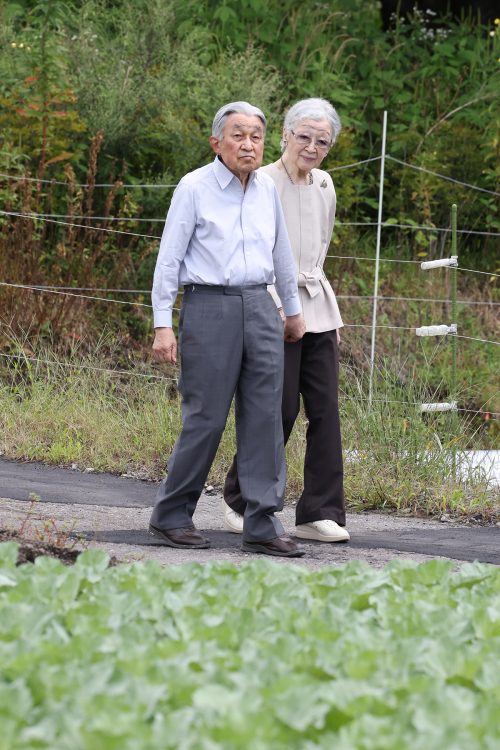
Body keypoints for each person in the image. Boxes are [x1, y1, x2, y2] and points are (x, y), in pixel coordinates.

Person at [149, 101, 307, 558]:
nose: (248, 144)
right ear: (217, 142)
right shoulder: (194, 187)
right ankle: (172, 514)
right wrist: (163, 324)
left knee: (265, 416)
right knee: (206, 417)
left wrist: (292, 311)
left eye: (256, 136)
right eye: (238, 135)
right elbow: (169, 259)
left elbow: (281, 254)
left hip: (261, 305)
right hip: (209, 306)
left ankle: (261, 522)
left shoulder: (265, 191)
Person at [223, 98, 349, 543]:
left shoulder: (325, 184)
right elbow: (256, 250)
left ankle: (319, 511)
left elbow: (320, 247)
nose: (311, 147)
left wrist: (328, 312)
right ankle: (240, 499)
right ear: (285, 135)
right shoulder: (262, 183)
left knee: (326, 409)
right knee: (278, 408)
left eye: (322, 142)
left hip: (317, 307)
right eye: (304, 137)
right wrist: (279, 308)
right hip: (273, 306)